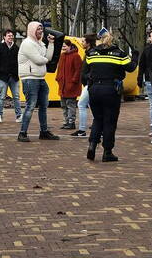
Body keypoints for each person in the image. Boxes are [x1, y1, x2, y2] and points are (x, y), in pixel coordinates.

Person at [81, 29, 136, 162]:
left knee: (97, 119)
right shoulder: (119, 54)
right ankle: (107, 151)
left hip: (94, 89)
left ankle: (92, 145)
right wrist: (135, 55)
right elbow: (131, 67)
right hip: (111, 89)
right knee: (110, 121)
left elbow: (84, 73)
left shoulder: (91, 53)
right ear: (113, 41)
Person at [17, 21, 60, 142]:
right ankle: (22, 133)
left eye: (41, 29)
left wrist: (51, 44)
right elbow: (38, 60)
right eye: (38, 29)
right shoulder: (27, 43)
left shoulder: (40, 43)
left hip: (40, 78)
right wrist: (45, 58)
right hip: (30, 78)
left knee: (43, 106)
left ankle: (44, 131)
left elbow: (48, 57)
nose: (40, 31)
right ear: (31, 30)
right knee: (30, 106)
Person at [0, 29, 22, 124]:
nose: (10, 37)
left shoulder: (16, 48)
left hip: (14, 76)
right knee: (2, 97)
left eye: (12, 36)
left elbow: (20, 62)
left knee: (16, 96)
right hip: (2, 76)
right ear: (4, 37)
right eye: (9, 36)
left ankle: (19, 115)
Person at [70, 33, 97, 137]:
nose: (81, 43)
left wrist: (88, 77)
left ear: (88, 43)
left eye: (83, 41)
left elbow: (92, 68)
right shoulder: (89, 52)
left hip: (90, 83)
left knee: (81, 104)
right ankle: (99, 127)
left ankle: (82, 130)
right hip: (89, 82)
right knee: (92, 105)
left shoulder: (91, 53)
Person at [56, 39, 83, 130]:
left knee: (70, 104)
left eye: (64, 46)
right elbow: (59, 69)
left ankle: (71, 122)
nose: (63, 48)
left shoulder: (76, 56)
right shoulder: (62, 56)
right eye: (62, 46)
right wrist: (58, 78)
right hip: (63, 85)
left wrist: (74, 81)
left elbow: (78, 70)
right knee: (63, 105)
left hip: (71, 85)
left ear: (69, 46)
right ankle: (67, 121)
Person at [138, 30, 152, 133]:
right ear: (150, 38)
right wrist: (139, 79)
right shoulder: (147, 50)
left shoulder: (148, 50)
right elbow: (141, 65)